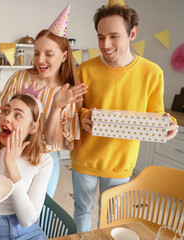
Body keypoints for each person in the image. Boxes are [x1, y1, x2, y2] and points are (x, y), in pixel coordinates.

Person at [70, 4, 179, 232]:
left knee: (111, 217)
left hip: (121, 162)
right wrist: (82, 116)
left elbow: (156, 115)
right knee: (82, 210)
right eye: (100, 37)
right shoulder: (84, 70)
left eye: (113, 36)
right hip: (85, 159)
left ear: (132, 34)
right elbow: (73, 109)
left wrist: (170, 124)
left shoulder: (152, 73)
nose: (105, 45)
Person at [0, 4, 87, 198]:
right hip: (7, 151)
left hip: (43, 160)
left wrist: (56, 107)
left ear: (64, 56)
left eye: (49, 54)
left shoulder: (69, 93)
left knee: (34, 212)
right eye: (37, 52)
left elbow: (53, 141)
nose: (40, 59)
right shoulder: (19, 78)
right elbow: (0, 119)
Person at [0, 92, 52, 240]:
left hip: (29, 231)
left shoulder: (44, 160)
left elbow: (27, 220)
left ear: (33, 128)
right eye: (6, 111)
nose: (6, 118)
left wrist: (11, 165)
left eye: (18, 115)